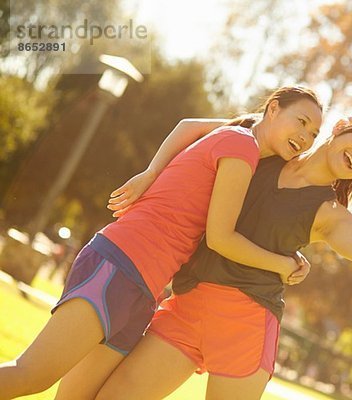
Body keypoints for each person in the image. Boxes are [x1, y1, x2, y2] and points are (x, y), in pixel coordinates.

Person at [95, 107, 352, 400]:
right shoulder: (265, 149)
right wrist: (150, 174)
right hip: (189, 302)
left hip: (246, 323)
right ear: (342, 127)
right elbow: (193, 130)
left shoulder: (329, 213)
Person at [0, 86, 324, 400]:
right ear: (273, 109)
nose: (306, 137)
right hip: (120, 264)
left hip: (145, 289)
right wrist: (284, 264)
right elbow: (221, 237)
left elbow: (189, 126)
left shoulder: (240, 144)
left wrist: (152, 171)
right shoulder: (242, 146)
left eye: (314, 134)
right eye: (302, 122)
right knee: (31, 375)